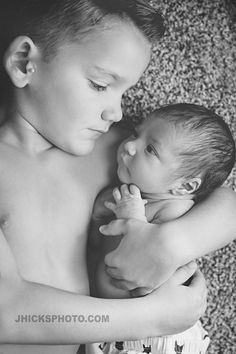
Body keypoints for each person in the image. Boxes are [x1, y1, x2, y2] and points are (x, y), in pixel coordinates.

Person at [0, 1, 234, 353]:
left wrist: (171, 244)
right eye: (99, 84)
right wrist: (152, 317)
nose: (117, 111)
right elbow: (9, 310)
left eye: (124, 92)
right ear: (23, 63)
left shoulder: (113, 149)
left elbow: (224, 200)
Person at [91, 103, 236, 354]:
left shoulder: (175, 210)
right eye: (136, 133)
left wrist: (132, 218)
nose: (129, 145)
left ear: (184, 187)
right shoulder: (127, 192)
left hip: (162, 338)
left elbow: (143, 276)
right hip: (117, 329)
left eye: (150, 149)